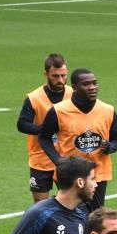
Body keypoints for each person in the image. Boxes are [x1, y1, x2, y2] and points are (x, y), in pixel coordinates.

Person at [38, 68, 117, 213]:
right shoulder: (58, 111)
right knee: (71, 215)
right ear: (75, 88)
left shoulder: (108, 110)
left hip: (98, 174)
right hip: (69, 174)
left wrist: (109, 147)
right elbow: (44, 137)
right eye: (86, 84)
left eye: (94, 83)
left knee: (95, 217)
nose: (92, 87)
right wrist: (59, 161)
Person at [18, 53, 70, 203]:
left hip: (66, 157)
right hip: (41, 158)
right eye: (55, 76)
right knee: (40, 207)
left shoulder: (73, 94)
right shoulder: (34, 98)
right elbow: (22, 124)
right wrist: (45, 130)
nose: (60, 80)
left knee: (71, 204)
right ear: (46, 74)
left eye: (63, 75)